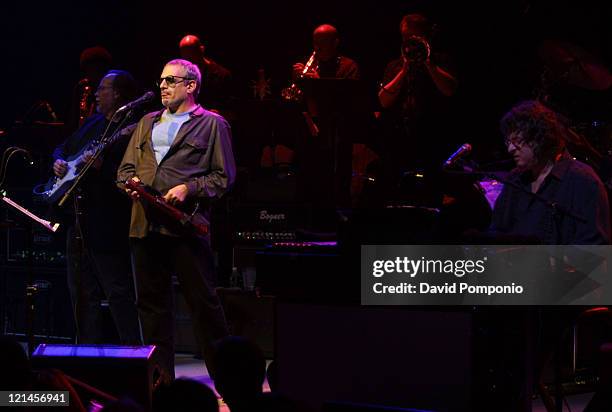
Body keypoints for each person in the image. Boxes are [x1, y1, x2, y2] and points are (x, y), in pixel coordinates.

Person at [117, 59, 235, 382]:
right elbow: (125, 170)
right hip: (145, 226)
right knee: (152, 310)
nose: (163, 86)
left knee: (204, 307)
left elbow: (224, 178)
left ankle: (230, 382)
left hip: (186, 227)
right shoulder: (145, 122)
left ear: (191, 85)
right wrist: (132, 187)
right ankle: (161, 385)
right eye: (161, 80)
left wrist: (189, 187)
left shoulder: (212, 125)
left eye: (171, 80)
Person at [52, 70, 142, 345]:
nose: (96, 94)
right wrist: (57, 162)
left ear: (117, 94)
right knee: (81, 293)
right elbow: (62, 148)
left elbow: (134, 178)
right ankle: (87, 356)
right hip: (79, 220)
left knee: (117, 292)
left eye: (103, 89)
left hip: (108, 223)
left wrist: (104, 169)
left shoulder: (130, 130)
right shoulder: (92, 123)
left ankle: (132, 355)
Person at [490, 100, 610, 245]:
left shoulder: (582, 180)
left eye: (516, 140)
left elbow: (594, 246)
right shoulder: (515, 179)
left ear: (539, 136)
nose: (510, 149)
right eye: (508, 142)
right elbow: (497, 231)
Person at [377, 13, 458, 202]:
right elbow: (384, 100)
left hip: (432, 141)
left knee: (430, 196)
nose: (409, 42)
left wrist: (428, 63)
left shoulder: (441, 60)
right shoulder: (395, 65)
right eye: (406, 38)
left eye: (415, 38)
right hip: (399, 142)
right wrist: (404, 70)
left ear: (426, 36)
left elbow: (450, 90)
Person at [179, 34, 233, 113]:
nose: (188, 59)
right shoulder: (182, 75)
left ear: (202, 50)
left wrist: (218, 112)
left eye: (191, 54)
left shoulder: (222, 75)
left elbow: (231, 107)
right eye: (186, 56)